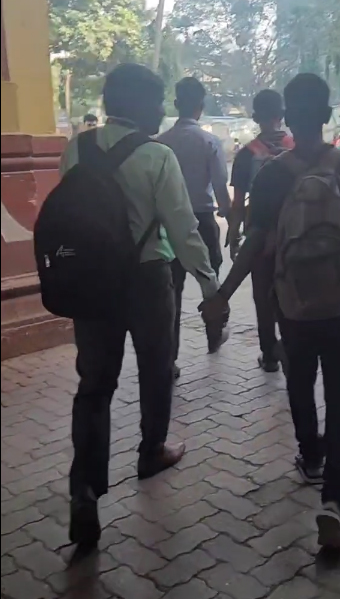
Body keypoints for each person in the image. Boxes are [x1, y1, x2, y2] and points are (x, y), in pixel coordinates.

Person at [201, 74, 340, 553]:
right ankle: (335, 501)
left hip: (293, 302)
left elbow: (256, 242)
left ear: (288, 117)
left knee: (300, 381)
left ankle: (311, 456)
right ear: (325, 115)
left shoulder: (273, 175)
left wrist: (223, 294)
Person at [61, 64, 224, 552]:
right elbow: (182, 228)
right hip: (148, 278)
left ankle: (85, 489)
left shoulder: (76, 149)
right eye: (156, 102)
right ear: (136, 104)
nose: (162, 111)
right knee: (156, 369)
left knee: (94, 384)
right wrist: (209, 284)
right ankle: (151, 450)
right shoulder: (157, 155)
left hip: (91, 281)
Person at [159, 78, 231, 375]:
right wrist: (230, 218)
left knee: (171, 291)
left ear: (176, 104)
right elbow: (221, 188)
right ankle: (214, 335)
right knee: (209, 283)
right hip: (202, 220)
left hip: (168, 223)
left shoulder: (160, 143)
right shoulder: (209, 142)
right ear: (201, 107)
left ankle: (171, 358)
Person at [228, 89, 294, 372]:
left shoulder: (247, 154)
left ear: (255, 117)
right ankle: (292, 347)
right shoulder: (298, 148)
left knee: (262, 296)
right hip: (296, 235)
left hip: (259, 238)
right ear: (283, 115)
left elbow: (238, 202)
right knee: (291, 292)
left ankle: (269, 355)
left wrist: (233, 233)